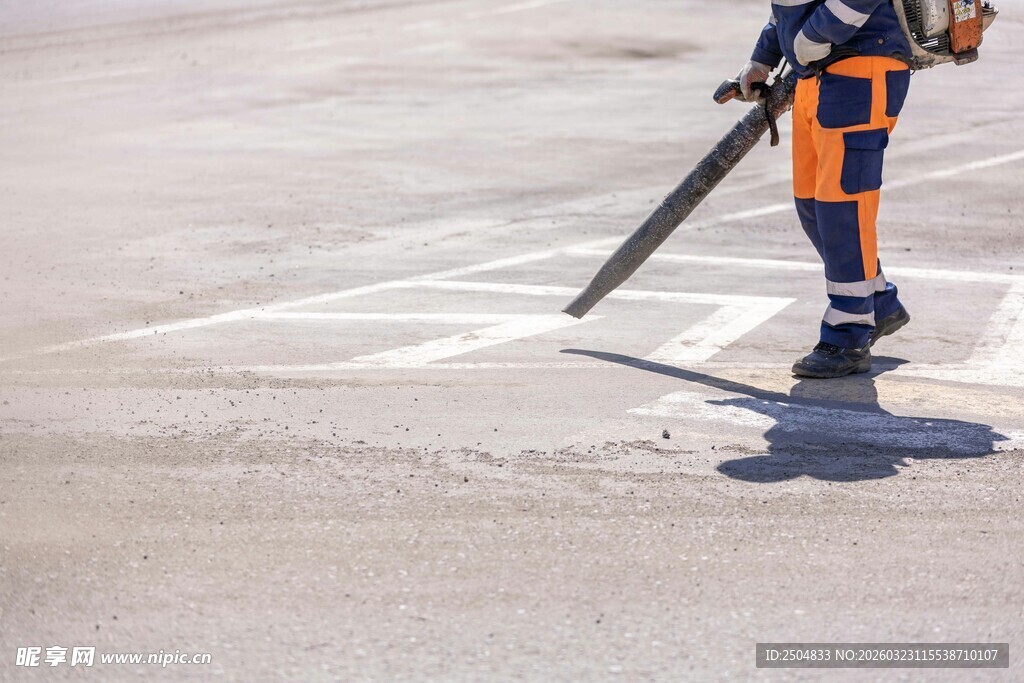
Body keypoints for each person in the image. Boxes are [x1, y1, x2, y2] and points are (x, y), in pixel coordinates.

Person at [734, 1, 914, 378]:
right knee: (814, 205)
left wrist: (810, 38)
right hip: (817, 76)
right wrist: (763, 58)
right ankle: (877, 302)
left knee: (844, 206)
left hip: (860, 70)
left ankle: (849, 332)